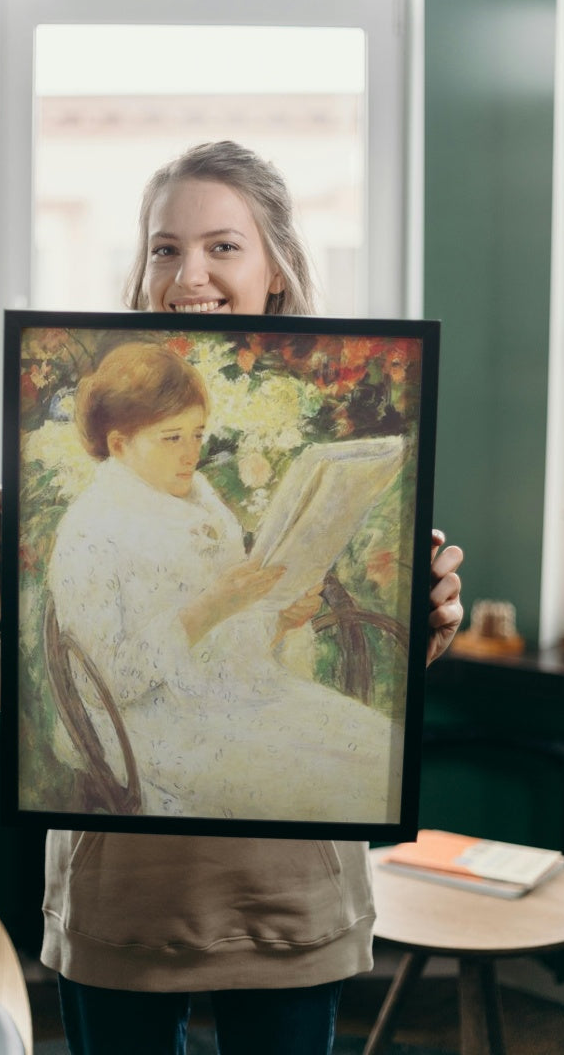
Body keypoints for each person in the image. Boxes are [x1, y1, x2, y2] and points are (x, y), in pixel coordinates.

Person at [0, 140, 464, 1055]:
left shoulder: (195, 489)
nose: (187, 273)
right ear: (117, 442)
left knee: (367, 741)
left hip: (283, 888)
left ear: (276, 266)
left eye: (222, 246)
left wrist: (388, 628)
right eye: (164, 247)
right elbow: (61, 700)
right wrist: (3, 607)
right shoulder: (87, 519)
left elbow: (239, 657)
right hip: (129, 882)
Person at [47, 340, 404, 824]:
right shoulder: (91, 529)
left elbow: (233, 645)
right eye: (171, 438)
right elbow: (105, 683)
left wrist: (279, 620)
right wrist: (209, 608)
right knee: (335, 782)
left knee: (386, 757)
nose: (190, 453)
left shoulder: (202, 501)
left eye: (197, 434)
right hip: (153, 732)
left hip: (238, 697)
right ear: (118, 444)